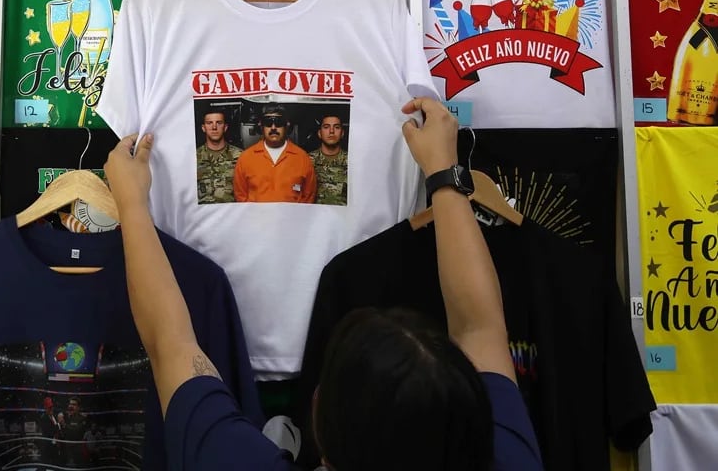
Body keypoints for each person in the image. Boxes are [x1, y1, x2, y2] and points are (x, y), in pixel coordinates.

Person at [104, 97, 543, 470]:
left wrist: (130, 203)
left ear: (316, 416)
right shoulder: (505, 457)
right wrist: (445, 175)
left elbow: (171, 343)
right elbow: (481, 328)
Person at [233, 103, 317, 203]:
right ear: (261, 125)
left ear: (287, 124)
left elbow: (308, 196)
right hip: (256, 218)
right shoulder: (246, 158)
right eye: (268, 122)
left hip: (292, 218)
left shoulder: (302, 158)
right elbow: (240, 195)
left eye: (279, 122)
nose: (273, 127)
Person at [196, 110, 242, 203]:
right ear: (203, 128)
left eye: (219, 123)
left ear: (225, 127)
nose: (214, 127)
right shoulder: (193, 157)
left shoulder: (241, 156)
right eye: (209, 123)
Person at [309, 114, 348, 205]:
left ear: (342, 133)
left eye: (336, 127)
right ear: (319, 133)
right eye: (326, 127)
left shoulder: (352, 161)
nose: (331, 131)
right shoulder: (307, 160)